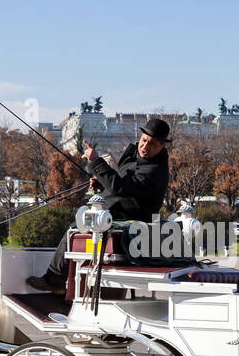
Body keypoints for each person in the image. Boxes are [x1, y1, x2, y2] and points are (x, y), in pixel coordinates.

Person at [26, 118, 171, 293]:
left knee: (74, 229)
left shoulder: (155, 170)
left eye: (152, 144)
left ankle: (55, 279)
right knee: (81, 227)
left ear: (162, 146)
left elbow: (121, 187)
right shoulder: (138, 158)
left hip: (131, 220)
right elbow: (126, 187)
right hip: (119, 213)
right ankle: (67, 285)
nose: (145, 147)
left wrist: (96, 161)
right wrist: (102, 183)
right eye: (144, 140)